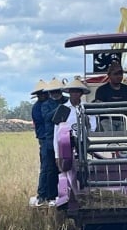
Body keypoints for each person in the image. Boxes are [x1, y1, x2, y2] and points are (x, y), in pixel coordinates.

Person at [37, 77, 68, 206]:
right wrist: (61, 108)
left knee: (66, 168)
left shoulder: (67, 101)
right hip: (51, 139)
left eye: (57, 91)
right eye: (53, 91)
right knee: (50, 169)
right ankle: (49, 195)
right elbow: (47, 117)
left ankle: (65, 195)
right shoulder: (45, 105)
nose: (55, 93)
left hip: (66, 139)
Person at [53, 76, 93, 157]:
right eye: (73, 91)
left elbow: (93, 127)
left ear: (81, 94)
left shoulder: (87, 108)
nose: (75, 94)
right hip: (67, 145)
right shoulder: (63, 109)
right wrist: (57, 155)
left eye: (77, 91)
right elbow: (57, 133)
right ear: (69, 93)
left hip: (85, 144)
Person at [94, 61, 127, 131]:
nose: (119, 76)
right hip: (106, 121)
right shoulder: (101, 90)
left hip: (124, 121)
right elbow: (98, 107)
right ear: (109, 75)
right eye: (115, 74)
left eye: (120, 74)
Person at [30, 79, 49, 207]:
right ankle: (42, 194)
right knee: (46, 167)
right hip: (44, 139)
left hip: (50, 137)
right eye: (40, 94)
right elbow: (44, 120)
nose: (43, 95)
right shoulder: (37, 107)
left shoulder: (47, 104)